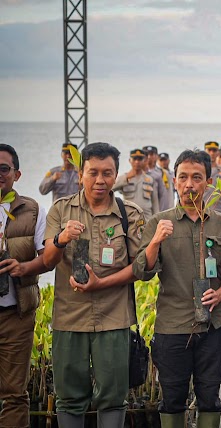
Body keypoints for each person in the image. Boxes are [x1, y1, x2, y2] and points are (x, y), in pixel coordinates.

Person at [133, 149, 221, 427]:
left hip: (214, 326)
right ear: (174, 181)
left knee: (210, 395)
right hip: (173, 326)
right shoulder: (159, 223)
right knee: (172, 397)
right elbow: (142, 271)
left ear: (208, 182)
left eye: (196, 178)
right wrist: (155, 242)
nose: (189, 184)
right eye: (183, 177)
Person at [43, 142, 145, 426]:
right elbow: (48, 262)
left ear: (116, 175)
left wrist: (101, 284)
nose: (100, 180)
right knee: (69, 397)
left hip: (114, 317)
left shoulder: (130, 214)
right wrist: (60, 239)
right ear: (80, 174)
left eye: (107, 173)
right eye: (93, 172)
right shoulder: (61, 210)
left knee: (113, 396)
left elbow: (140, 268)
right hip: (69, 318)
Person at [0, 144, 50, 427]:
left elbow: (47, 259)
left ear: (16, 174)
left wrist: (22, 268)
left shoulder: (32, 210)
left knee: (15, 394)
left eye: (4, 169)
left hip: (16, 316)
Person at [113, 148, 160, 220]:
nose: (137, 162)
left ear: (144, 161)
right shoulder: (124, 178)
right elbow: (110, 188)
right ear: (130, 161)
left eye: (140, 159)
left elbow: (155, 203)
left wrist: (157, 219)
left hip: (146, 218)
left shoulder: (150, 179)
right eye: (134, 159)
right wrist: (126, 178)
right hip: (129, 218)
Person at [143, 145, 170, 212]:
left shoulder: (163, 173)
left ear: (157, 156)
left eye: (151, 154)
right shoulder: (138, 173)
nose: (149, 157)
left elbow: (166, 195)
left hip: (160, 211)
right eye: (147, 154)